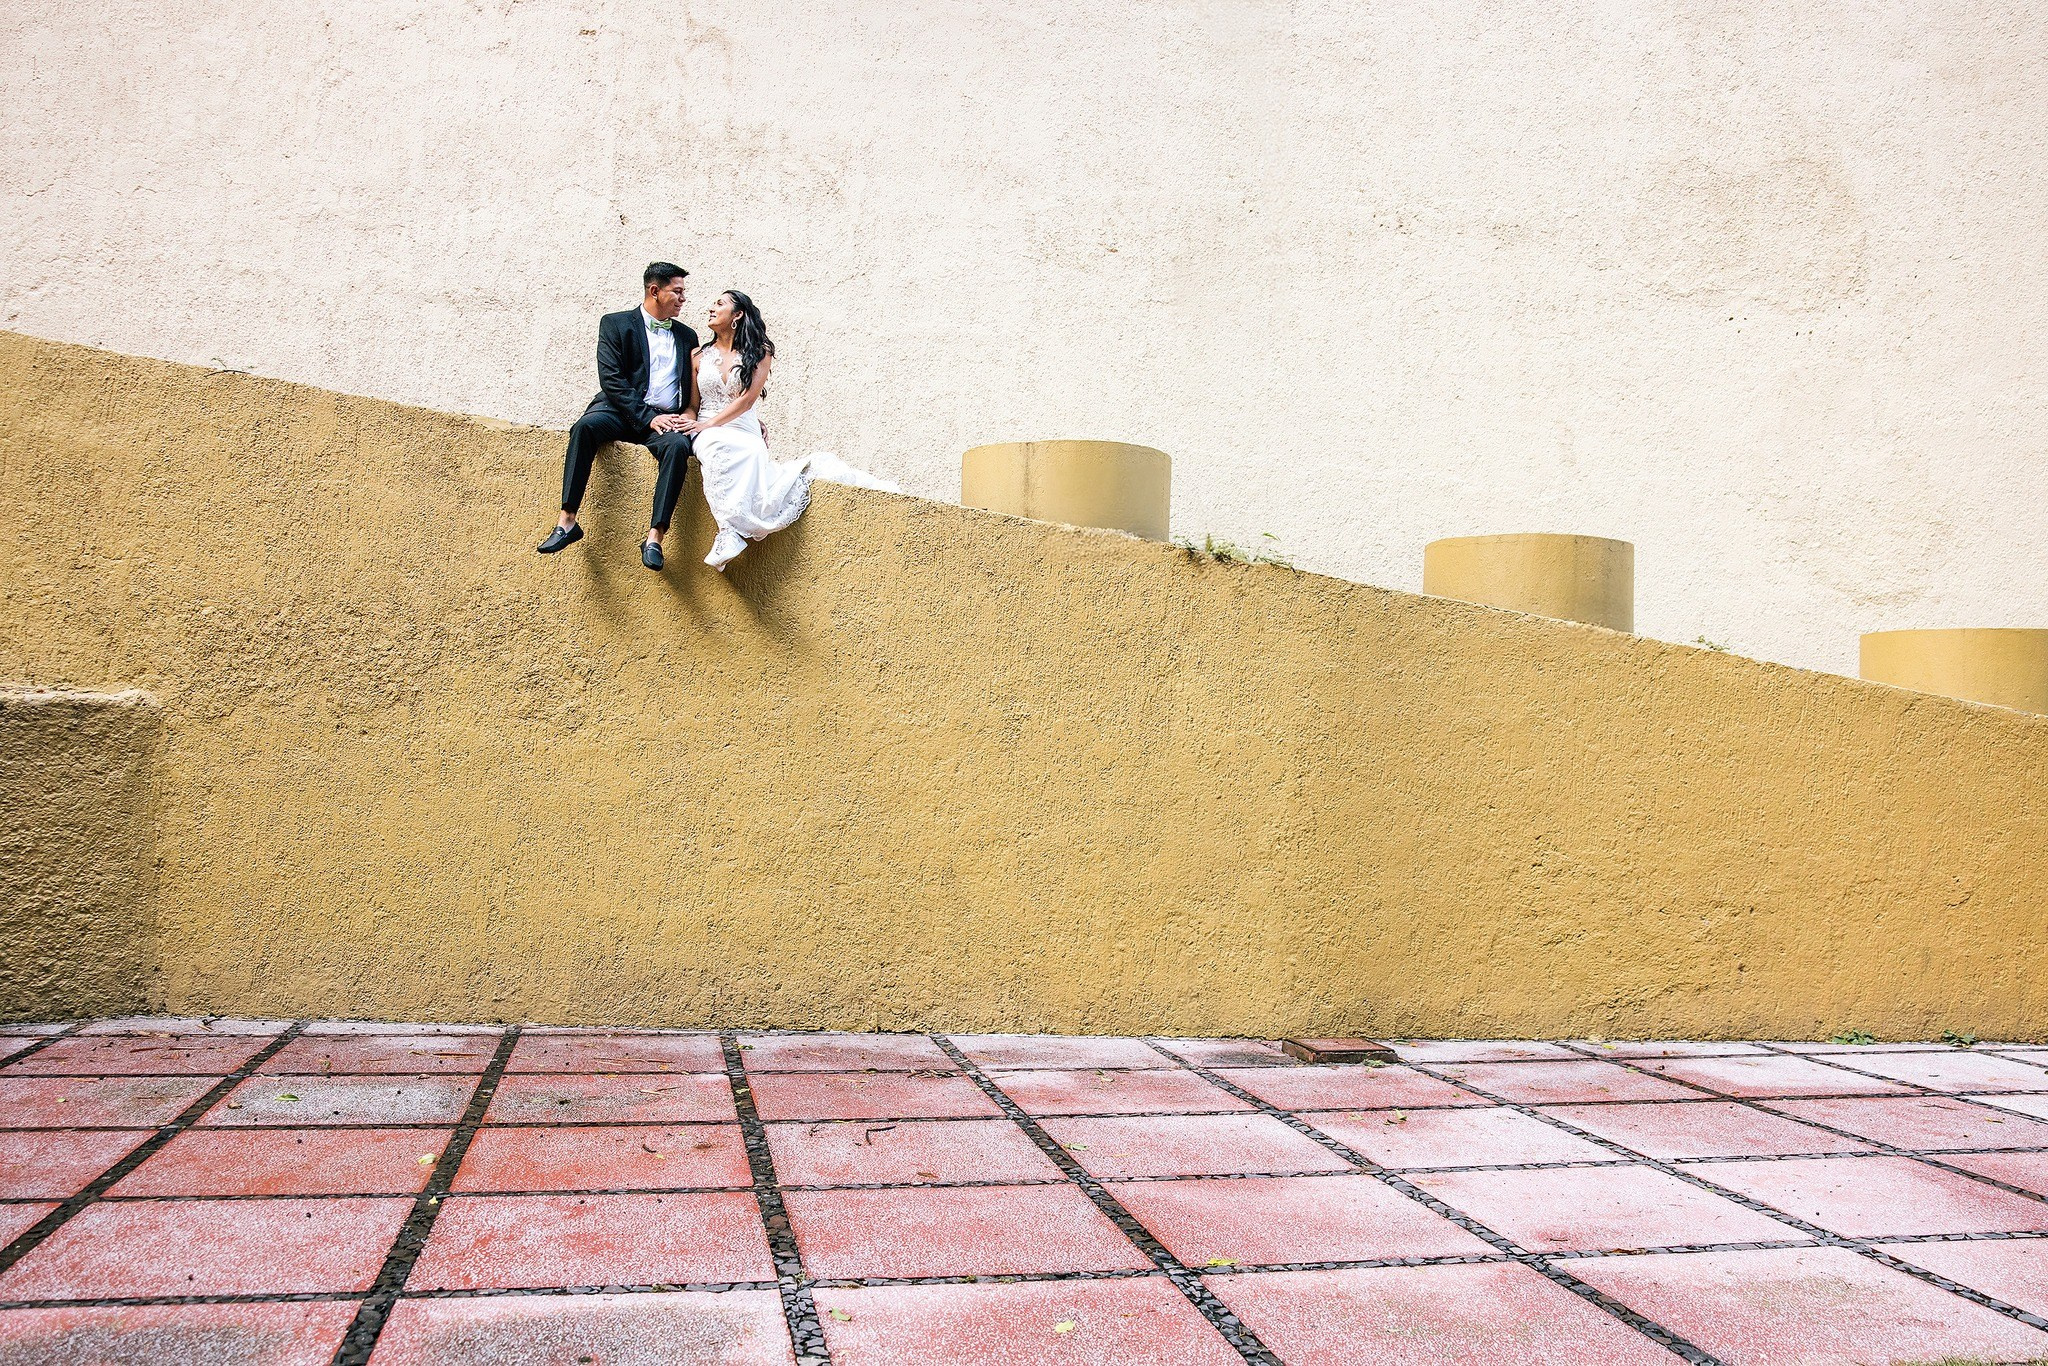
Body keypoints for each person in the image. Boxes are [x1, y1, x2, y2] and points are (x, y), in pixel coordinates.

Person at [683, 290, 899, 570]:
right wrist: (690, 421)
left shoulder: (759, 352)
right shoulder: (698, 355)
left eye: (719, 304)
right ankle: (729, 530)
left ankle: (731, 530)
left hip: (741, 426)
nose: (711, 309)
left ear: (737, 315)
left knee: (749, 451)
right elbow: (692, 404)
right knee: (711, 444)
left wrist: (709, 423)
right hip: (708, 424)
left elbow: (747, 399)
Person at [537, 262, 701, 570]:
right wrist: (646, 417)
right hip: (621, 411)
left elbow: (697, 384)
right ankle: (567, 521)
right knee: (585, 427)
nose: (683, 299)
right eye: (677, 292)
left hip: (665, 419)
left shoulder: (687, 336)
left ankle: (655, 538)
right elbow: (611, 378)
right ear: (655, 291)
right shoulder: (615, 323)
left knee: (678, 447)